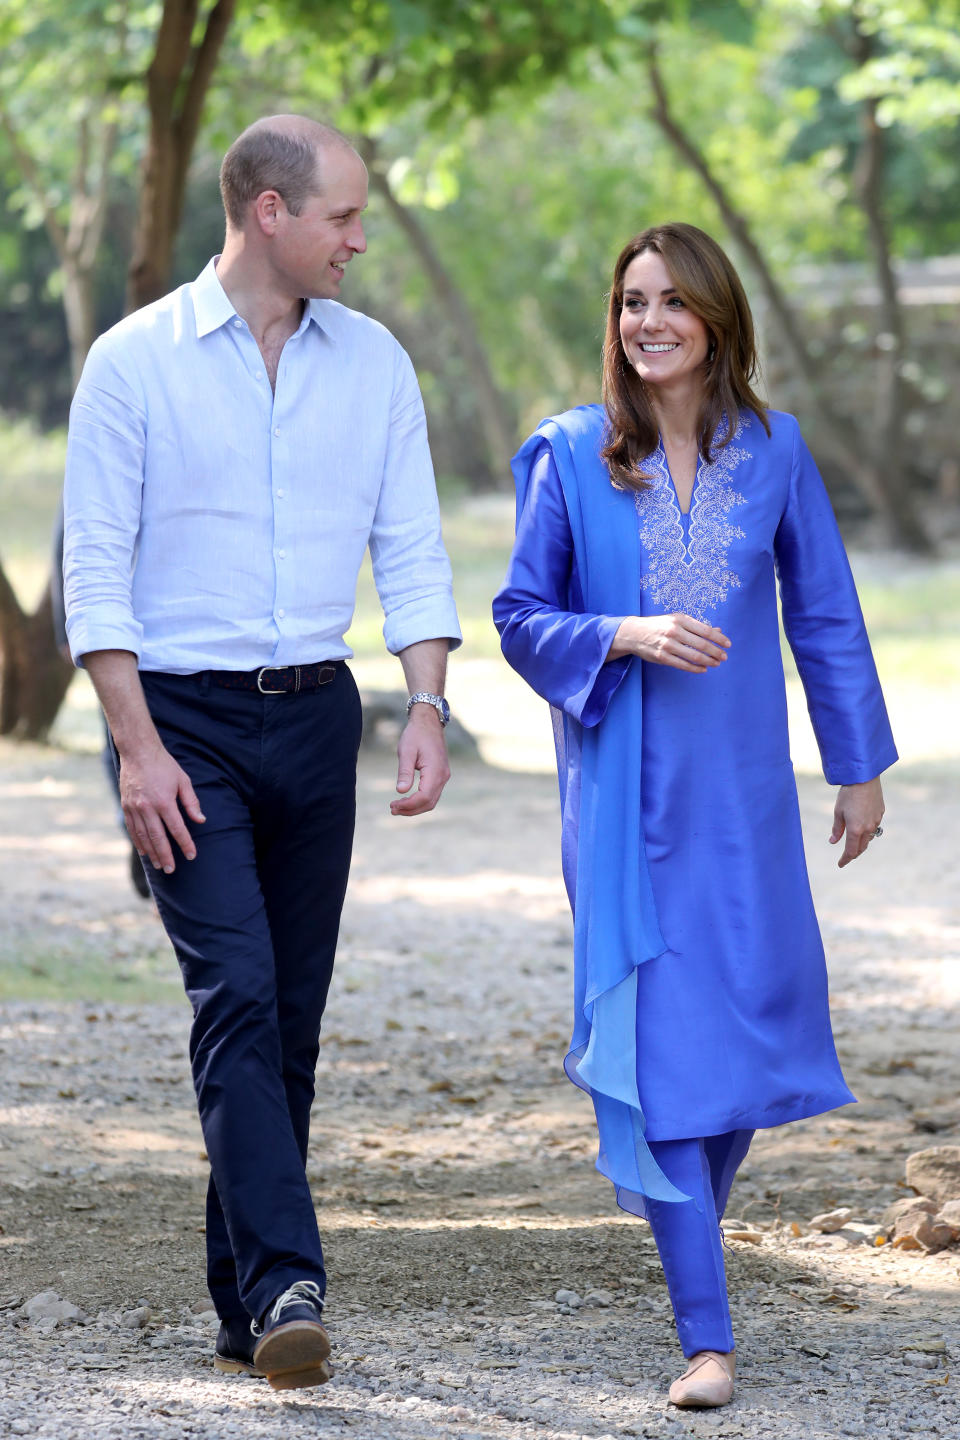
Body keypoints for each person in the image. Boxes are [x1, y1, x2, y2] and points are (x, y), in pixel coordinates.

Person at [63, 115, 461, 1391]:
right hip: (181, 723)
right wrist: (135, 750)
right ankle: (295, 1275)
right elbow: (94, 573)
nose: (361, 238)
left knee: (287, 1017)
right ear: (268, 213)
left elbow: (410, 543)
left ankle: (247, 1305)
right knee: (232, 992)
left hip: (317, 716)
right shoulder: (134, 365)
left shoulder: (376, 362)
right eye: (343, 216)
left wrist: (429, 705)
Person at [493, 223, 896, 1410]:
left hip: (747, 804)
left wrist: (857, 764)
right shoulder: (570, 455)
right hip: (624, 800)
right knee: (661, 1049)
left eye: (673, 300)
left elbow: (824, 612)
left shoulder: (775, 451)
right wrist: (622, 630)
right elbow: (519, 613)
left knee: (754, 1028)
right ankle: (707, 1336)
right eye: (630, 301)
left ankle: (687, 1230)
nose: (649, 321)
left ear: (718, 317)